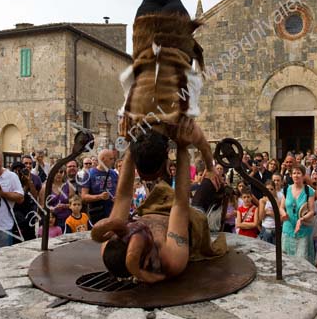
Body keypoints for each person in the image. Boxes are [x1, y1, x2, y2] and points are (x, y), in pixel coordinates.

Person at [74, 0, 218, 188]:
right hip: (144, 30)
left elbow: (203, 145)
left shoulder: (181, 129)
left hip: (175, 33)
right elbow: (127, 186)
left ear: (166, 155)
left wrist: (211, 168)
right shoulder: (130, 130)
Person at [90, 119, 226, 283]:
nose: (132, 225)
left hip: (155, 208)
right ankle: (211, 184)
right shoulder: (171, 259)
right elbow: (181, 204)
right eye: (136, 230)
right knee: (204, 194)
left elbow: (124, 197)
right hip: (187, 220)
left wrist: (131, 145)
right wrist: (182, 148)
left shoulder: (110, 244)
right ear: (147, 258)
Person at [280, 164, 315, 264]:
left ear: (303, 175)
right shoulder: (286, 189)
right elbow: (281, 207)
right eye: (294, 173)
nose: (296, 175)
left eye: (299, 173)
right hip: (288, 228)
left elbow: (312, 211)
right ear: (291, 175)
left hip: (303, 229)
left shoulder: (309, 191)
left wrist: (302, 219)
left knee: (302, 260)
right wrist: (283, 214)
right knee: (287, 259)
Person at [81, 149, 118, 225]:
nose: (113, 161)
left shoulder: (114, 174)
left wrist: (117, 197)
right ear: (102, 159)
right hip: (97, 215)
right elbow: (84, 197)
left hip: (113, 214)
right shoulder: (89, 174)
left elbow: (120, 191)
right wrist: (99, 197)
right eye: (111, 159)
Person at [10, 162, 38, 242]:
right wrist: (25, 187)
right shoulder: (11, 183)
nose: (18, 173)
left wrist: (29, 181)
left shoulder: (27, 181)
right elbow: (19, 198)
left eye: (20, 170)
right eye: (15, 170)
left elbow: (35, 196)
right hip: (16, 219)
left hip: (28, 217)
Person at [39, 168, 74, 232]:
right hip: (51, 221)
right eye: (56, 172)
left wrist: (65, 205)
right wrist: (50, 208)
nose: (59, 174)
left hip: (66, 219)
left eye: (61, 172)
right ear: (51, 173)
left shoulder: (69, 186)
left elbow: (74, 204)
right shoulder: (45, 188)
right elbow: (41, 205)